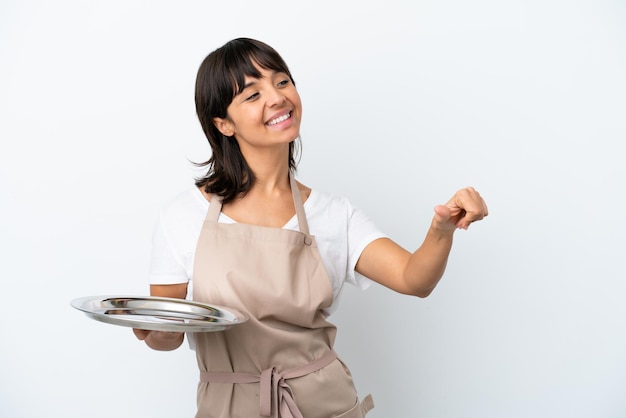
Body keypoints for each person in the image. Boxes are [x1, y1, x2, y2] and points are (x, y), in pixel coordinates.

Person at [133, 38, 488, 418]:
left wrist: (441, 230)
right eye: (253, 95)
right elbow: (164, 333)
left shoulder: (332, 214)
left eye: (282, 82)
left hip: (325, 404)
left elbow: (413, 279)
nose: (277, 98)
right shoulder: (182, 216)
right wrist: (161, 334)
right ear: (223, 123)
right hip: (228, 406)